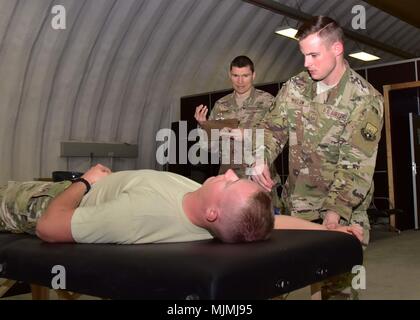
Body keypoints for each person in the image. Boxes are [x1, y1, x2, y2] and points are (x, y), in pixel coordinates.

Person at [251, 16, 383, 298]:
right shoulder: (296, 86)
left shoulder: (364, 99)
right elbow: (272, 127)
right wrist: (262, 157)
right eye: (303, 55)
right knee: (272, 284)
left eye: (313, 55)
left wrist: (334, 216)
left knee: (334, 292)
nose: (306, 63)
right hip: (297, 208)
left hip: (341, 211)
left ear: (337, 49)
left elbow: (355, 167)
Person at [0, 164, 363, 244]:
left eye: (230, 183)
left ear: (212, 214)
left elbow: (50, 227)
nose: (231, 172)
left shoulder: (138, 214)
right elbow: (274, 222)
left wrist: (85, 181)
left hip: (43, 201)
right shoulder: (201, 203)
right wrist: (329, 229)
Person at [194, 55, 282, 209]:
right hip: (230, 180)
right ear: (230, 75)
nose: (240, 81)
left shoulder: (267, 101)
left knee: (264, 226)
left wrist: (246, 135)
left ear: (253, 75)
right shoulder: (221, 105)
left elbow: (278, 136)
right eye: (236, 76)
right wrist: (203, 126)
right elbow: (210, 147)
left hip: (258, 179)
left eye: (245, 76)